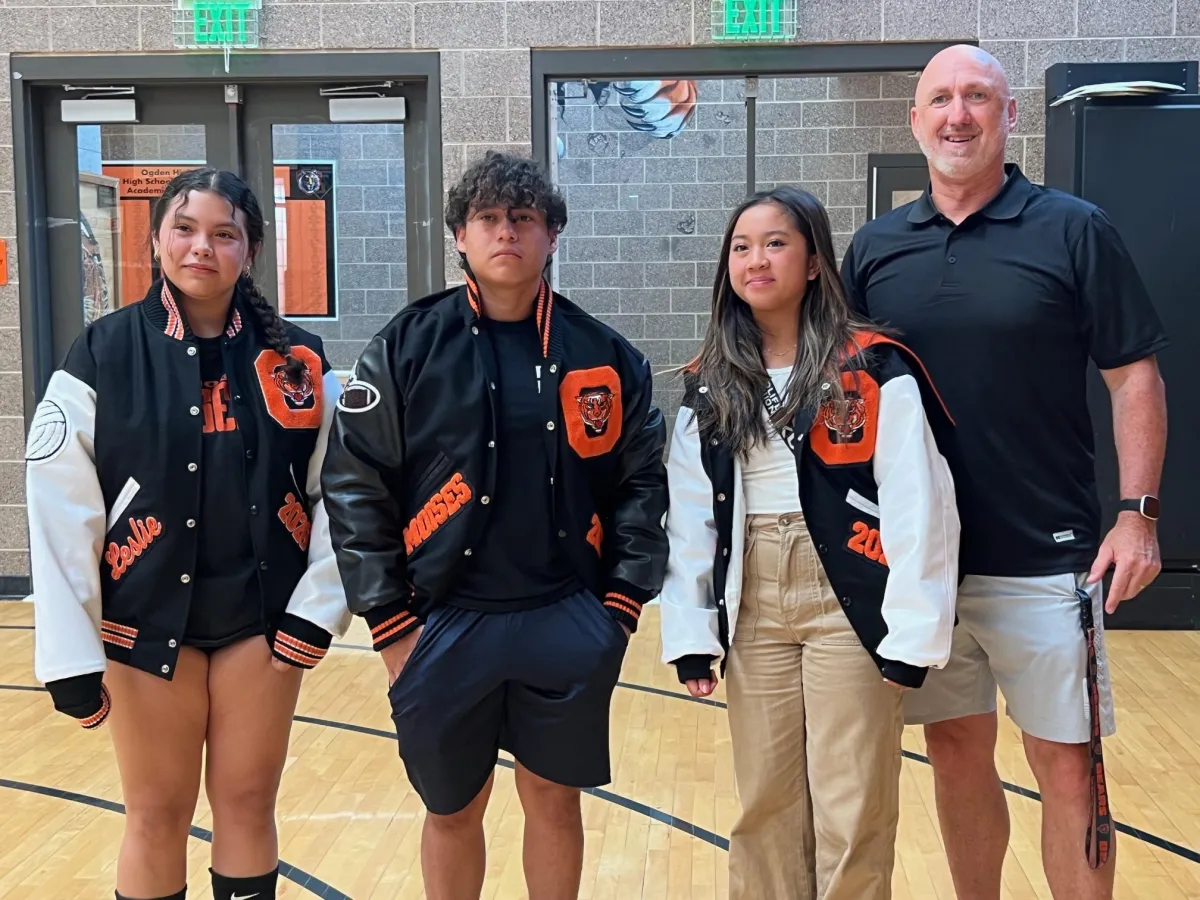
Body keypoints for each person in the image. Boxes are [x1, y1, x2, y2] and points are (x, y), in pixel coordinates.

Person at [840, 44, 1169, 900]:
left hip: (1048, 560)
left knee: (1066, 767)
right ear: (914, 122)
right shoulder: (875, 249)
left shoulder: (1074, 228)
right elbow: (845, 396)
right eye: (941, 99)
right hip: (924, 567)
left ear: (1008, 115)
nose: (958, 115)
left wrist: (1137, 514)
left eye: (978, 97)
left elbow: (1133, 374)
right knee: (954, 755)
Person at [320, 150, 670, 900]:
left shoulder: (605, 354)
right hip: (441, 623)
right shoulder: (407, 345)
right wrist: (389, 624)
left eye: (524, 218)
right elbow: (354, 484)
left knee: (553, 800)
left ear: (552, 235)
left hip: (564, 616)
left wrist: (619, 608)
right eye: (487, 218)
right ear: (460, 236)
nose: (506, 232)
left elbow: (642, 485)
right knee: (453, 808)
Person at [26, 167, 351, 900]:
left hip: (257, 624)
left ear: (251, 250)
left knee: (245, 804)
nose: (201, 247)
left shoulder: (300, 362)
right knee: (156, 813)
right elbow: (59, 508)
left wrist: (316, 609)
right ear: (156, 238)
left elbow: (343, 495)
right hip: (142, 625)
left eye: (224, 234)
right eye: (185, 228)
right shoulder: (101, 355)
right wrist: (69, 654)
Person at [658, 185, 960, 900]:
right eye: (740, 246)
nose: (755, 259)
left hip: (848, 589)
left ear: (815, 260)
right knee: (764, 799)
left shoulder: (875, 366)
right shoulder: (709, 382)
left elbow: (921, 504)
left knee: (852, 803)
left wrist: (913, 634)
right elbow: (692, 515)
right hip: (753, 592)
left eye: (775, 243)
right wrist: (692, 631)